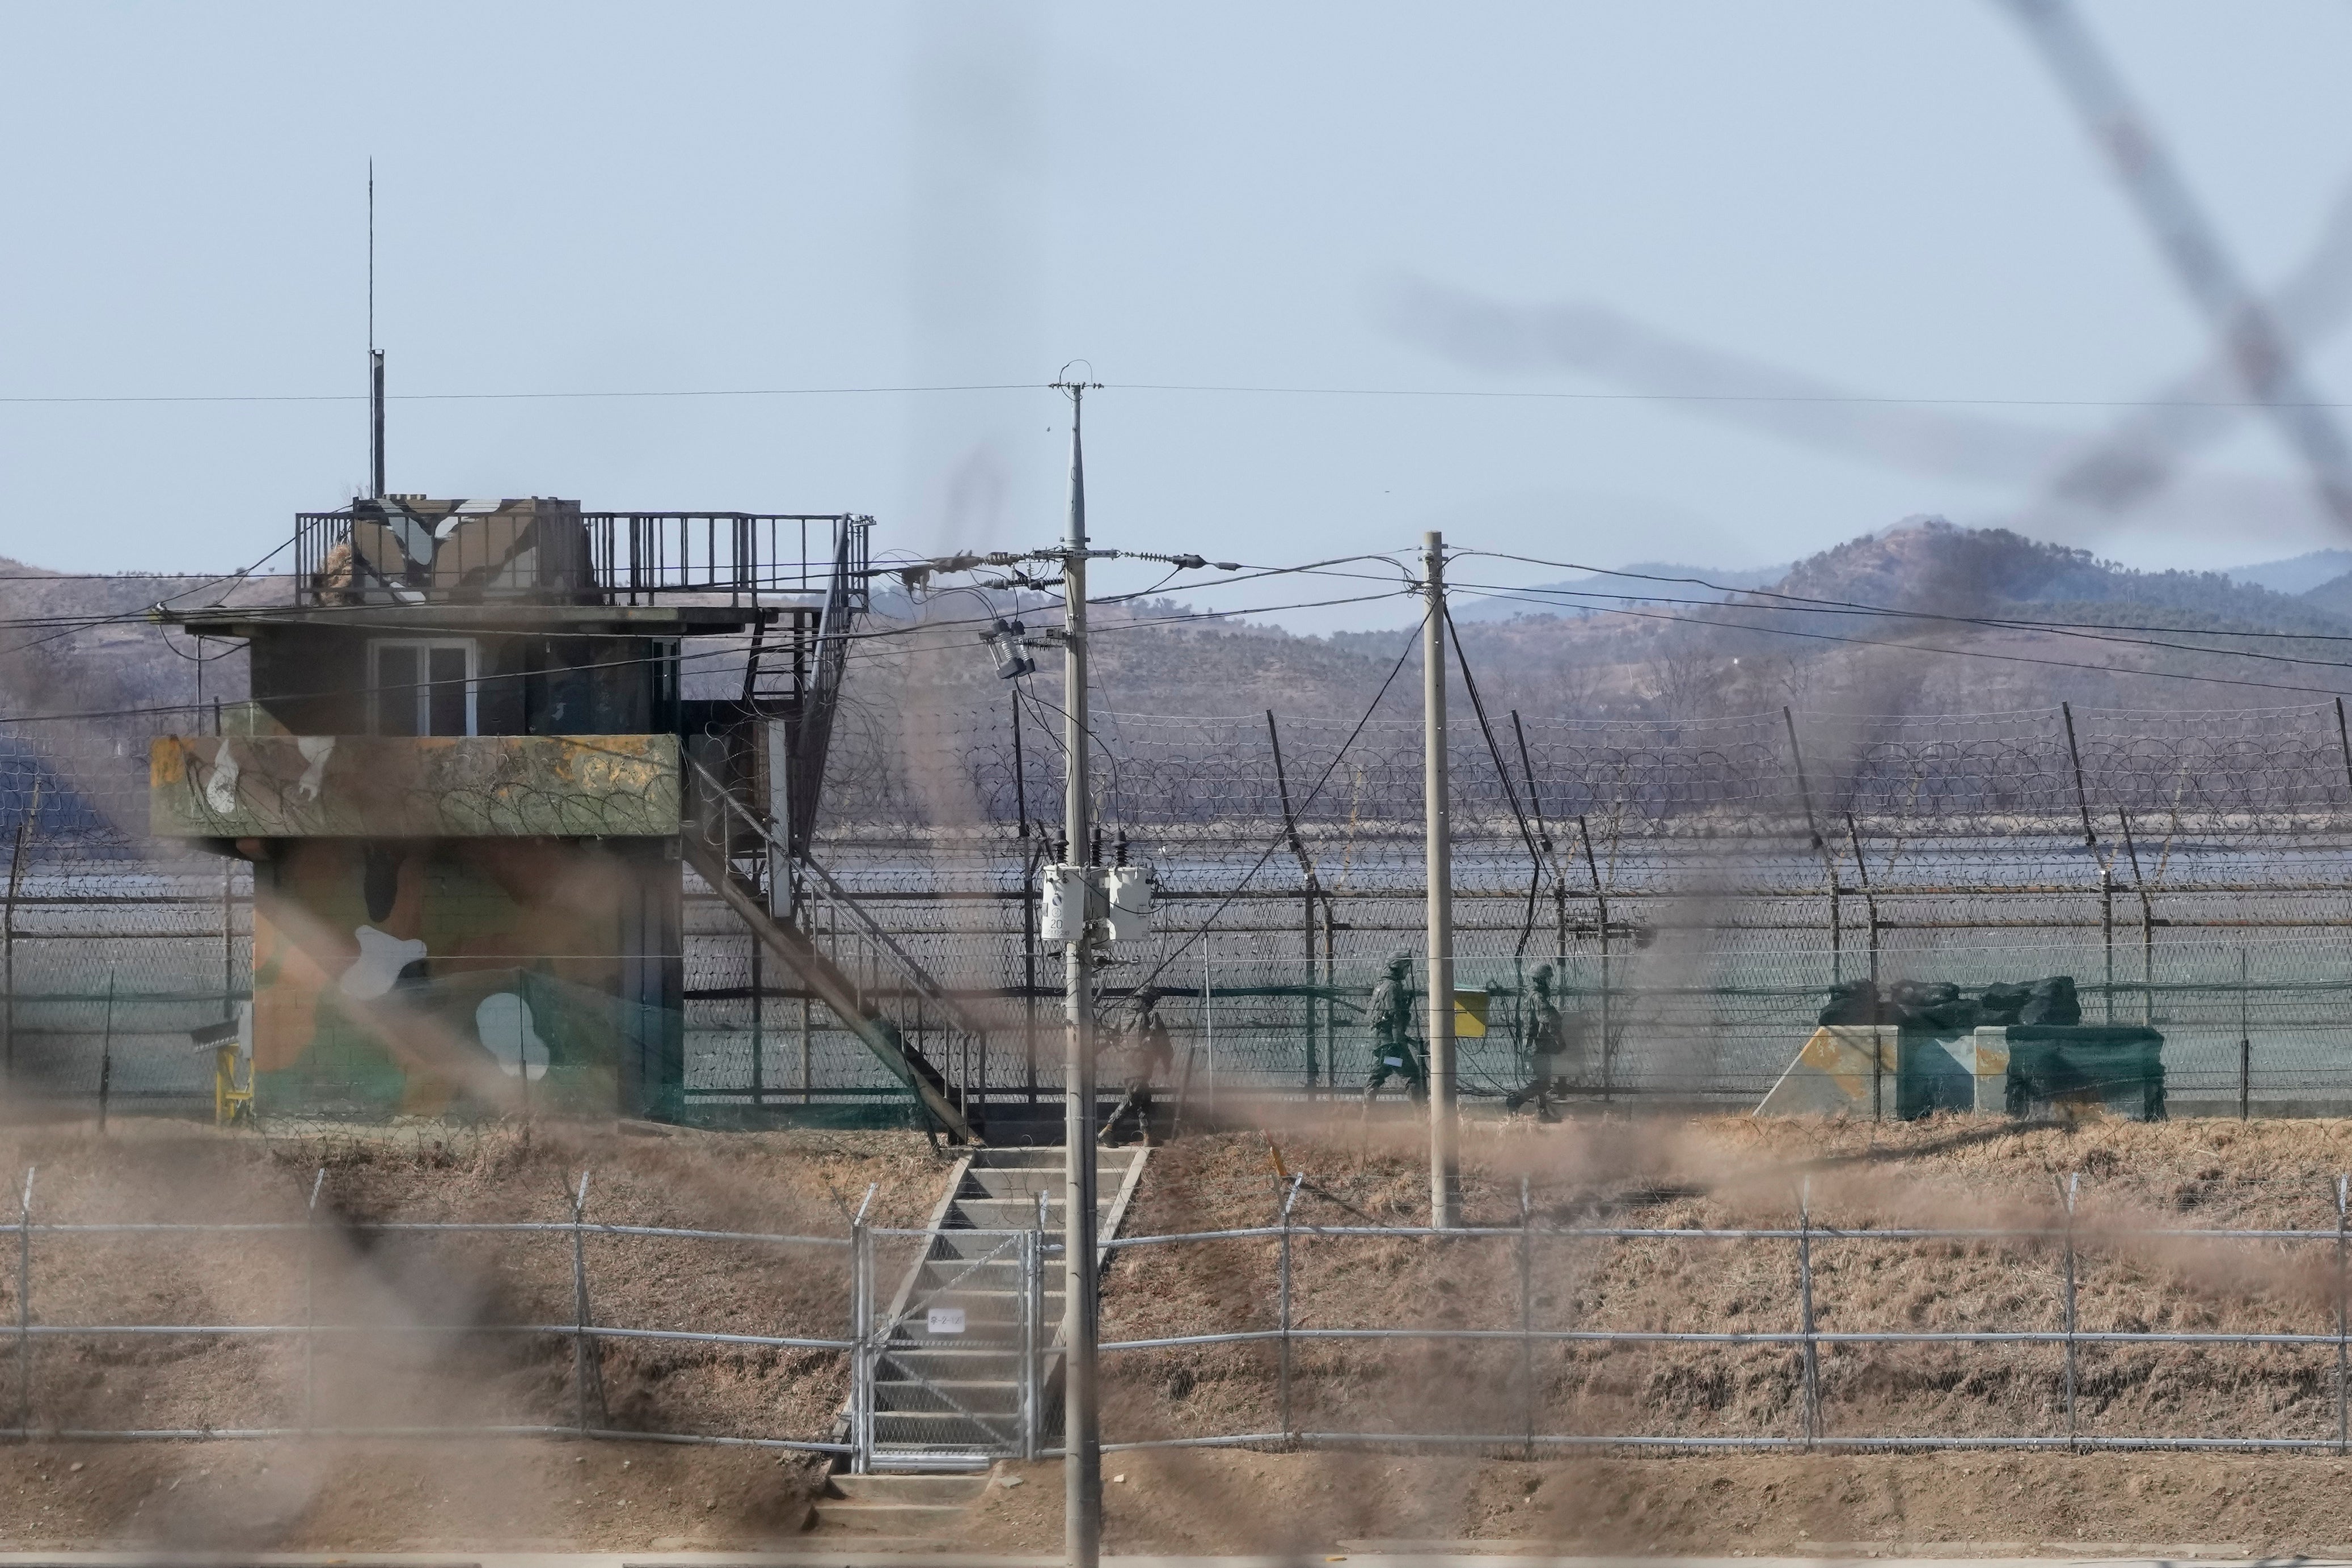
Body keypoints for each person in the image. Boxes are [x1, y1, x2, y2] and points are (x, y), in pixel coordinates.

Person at [1104, 987, 1175, 1142]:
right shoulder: (1151, 1015)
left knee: (1144, 1099)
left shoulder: (1123, 1016)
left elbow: (1111, 1034)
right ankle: (1109, 1129)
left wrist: (1119, 1047)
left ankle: (1148, 1135)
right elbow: (1163, 1040)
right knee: (1133, 1097)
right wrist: (1167, 1060)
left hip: (1126, 1061)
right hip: (1141, 1061)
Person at [1505, 965, 1575, 1118]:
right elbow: (1548, 1020)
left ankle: (1542, 1113)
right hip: (1539, 1046)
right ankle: (1516, 1099)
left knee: (1540, 1079)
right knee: (1543, 1083)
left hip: (1530, 1045)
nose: (1549, 982)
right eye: (1548, 979)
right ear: (1543, 980)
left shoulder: (1529, 996)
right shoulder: (1539, 998)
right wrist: (1560, 1040)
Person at [1362, 953, 1427, 1106]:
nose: (1408, 971)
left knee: (1379, 1074)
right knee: (1411, 1076)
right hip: (1392, 1046)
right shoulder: (1393, 987)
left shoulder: (1382, 985)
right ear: (1399, 967)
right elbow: (1396, 1017)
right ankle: (1420, 1115)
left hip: (1382, 1045)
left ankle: (1367, 1114)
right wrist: (1401, 1044)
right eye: (1406, 967)